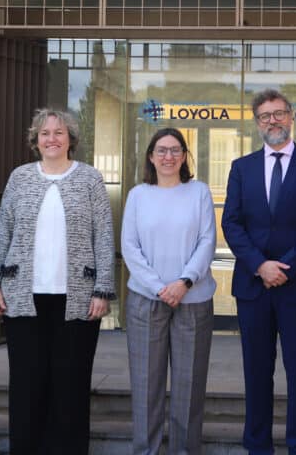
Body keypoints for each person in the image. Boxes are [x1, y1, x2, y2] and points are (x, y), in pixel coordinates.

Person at [0, 108, 115, 455]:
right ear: (36, 140)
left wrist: (103, 289)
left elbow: (103, 235)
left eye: (59, 132)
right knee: (27, 384)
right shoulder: (20, 178)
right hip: (23, 298)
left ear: (71, 139)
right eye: (45, 133)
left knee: (71, 386)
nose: (52, 138)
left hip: (77, 300)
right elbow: (3, 231)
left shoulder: (89, 178)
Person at [221, 89, 296, 455]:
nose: (273, 120)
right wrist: (260, 265)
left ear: (291, 116)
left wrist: (287, 267)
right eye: (265, 116)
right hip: (253, 287)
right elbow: (231, 223)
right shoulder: (242, 168)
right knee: (256, 372)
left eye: (279, 113)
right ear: (257, 123)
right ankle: (258, 446)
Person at [122, 128, 217, 455]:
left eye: (175, 150)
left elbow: (207, 241)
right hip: (146, 300)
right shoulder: (138, 195)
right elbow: (130, 247)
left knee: (189, 387)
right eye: (161, 150)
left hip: (193, 299)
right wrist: (159, 287)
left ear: (184, 156)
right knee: (146, 386)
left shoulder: (199, 192)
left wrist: (184, 282)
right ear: (151, 156)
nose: (168, 156)